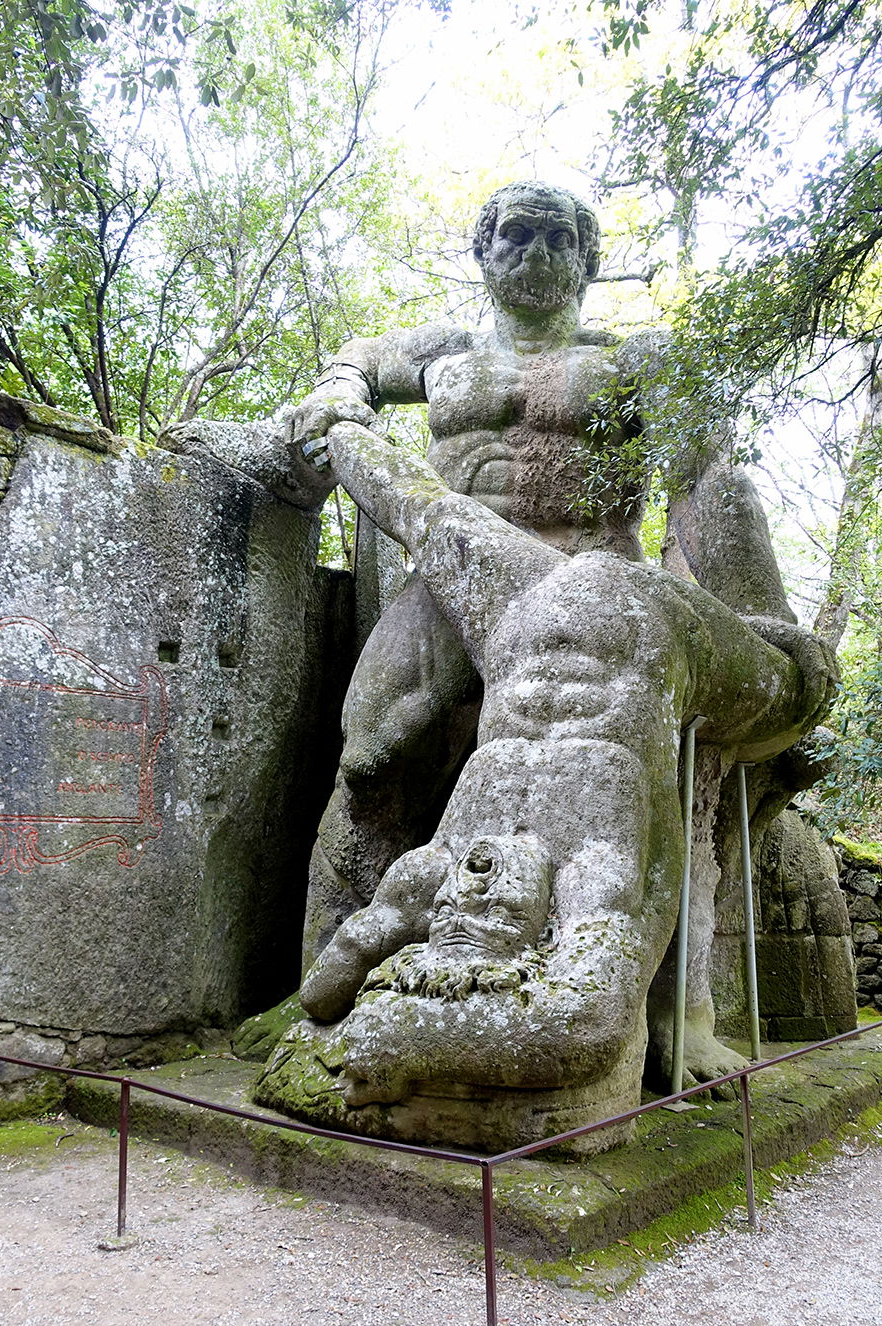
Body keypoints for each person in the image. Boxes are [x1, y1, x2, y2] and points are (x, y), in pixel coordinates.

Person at [238, 180, 833, 1088]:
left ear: (590, 262)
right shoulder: (443, 349)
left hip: (588, 588)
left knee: (654, 776)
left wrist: (761, 623)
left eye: (560, 239)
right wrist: (338, 394)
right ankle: (325, 979)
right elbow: (356, 360)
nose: (537, 253)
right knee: (368, 760)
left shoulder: (640, 359)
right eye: (515, 235)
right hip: (450, 575)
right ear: (484, 252)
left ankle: (672, 1014)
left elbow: (709, 476)